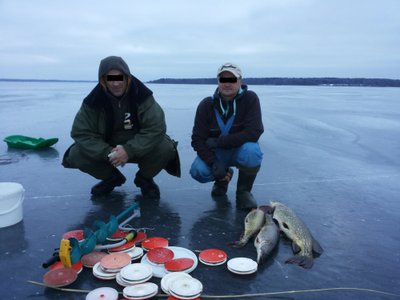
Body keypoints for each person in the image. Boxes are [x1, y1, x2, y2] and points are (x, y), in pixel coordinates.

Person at [62, 56, 180, 199]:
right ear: (103, 80)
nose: (116, 84)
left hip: (140, 146)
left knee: (166, 147)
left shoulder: (142, 96)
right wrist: (107, 152)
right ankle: (111, 178)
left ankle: (145, 178)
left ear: (127, 78)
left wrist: (129, 150)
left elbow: (156, 128)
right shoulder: (92, 102)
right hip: (108, 149)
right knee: (76, 153)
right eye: (110, 79)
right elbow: (81, 133)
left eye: (120, 78)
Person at [190, 63, 264, 210]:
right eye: (223, 80)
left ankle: (243, 192)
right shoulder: (206, 105)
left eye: (232, 79)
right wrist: (213, 163)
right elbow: (197, 139)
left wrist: (220, 141)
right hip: (217, 154)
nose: (228, 84)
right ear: (218, 82)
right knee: (198, 170)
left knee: (252, 151)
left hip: (239, 150)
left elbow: (254, 131)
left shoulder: (250, 99)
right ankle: (223, 178)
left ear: (240, 81)